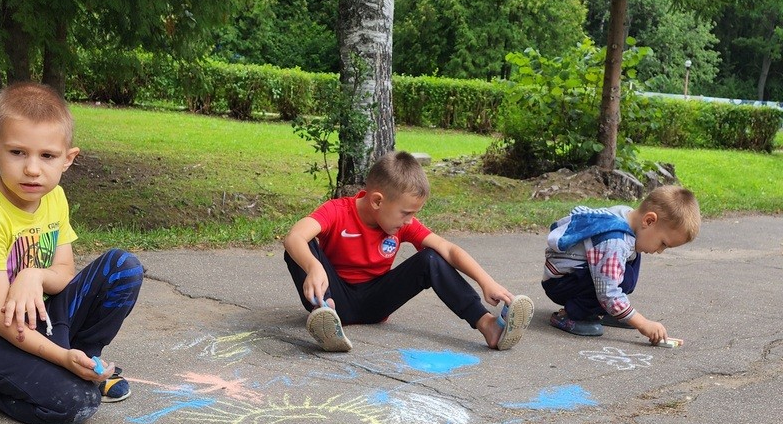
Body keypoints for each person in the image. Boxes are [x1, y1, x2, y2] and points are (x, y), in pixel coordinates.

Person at [0, 82, 144, 424]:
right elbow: (3, 320)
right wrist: (61, 357)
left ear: (68, 159)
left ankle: (86, 360)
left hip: (38, 316)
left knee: (124, 268)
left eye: (47, 156)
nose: (33, 169)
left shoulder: (54, 198)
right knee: (77, 404)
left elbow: (65, 272)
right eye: (17, 152)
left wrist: (32, 274)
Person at [283, 150, 534, 353]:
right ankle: (325, 320)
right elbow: (294, 236)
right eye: (406, 213)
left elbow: (447, 248)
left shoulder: (403, 224)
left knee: (431, 258)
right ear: (377, 201)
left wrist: (485, 281)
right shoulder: (337, 211)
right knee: (301, 249)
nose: (409, 221)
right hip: (333, 297)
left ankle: (488, 326)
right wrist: (313, 266)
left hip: (375, 302)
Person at [542, 185, 700, 343]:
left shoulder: (628, 215)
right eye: (663, 243)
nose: (660, 251)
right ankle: (571, 315)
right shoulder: (614, 241)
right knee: (621, 277)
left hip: (579, 273)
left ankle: (605, 310)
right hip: (561, 283)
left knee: (632, 262)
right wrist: (642, 323)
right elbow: (608, 292)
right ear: (649, 220)